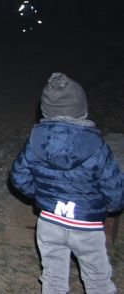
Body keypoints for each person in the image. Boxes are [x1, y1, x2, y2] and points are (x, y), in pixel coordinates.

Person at [10, 72, 124, 293]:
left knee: (53, 278)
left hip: (50, 222)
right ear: (82, 109)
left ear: (45, 111)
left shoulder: (36, 141)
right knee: (97, 279)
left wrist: (42, 195)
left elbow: (18, 176)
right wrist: (112, 206)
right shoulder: (97, 146)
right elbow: (113, 185)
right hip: (87, 226)